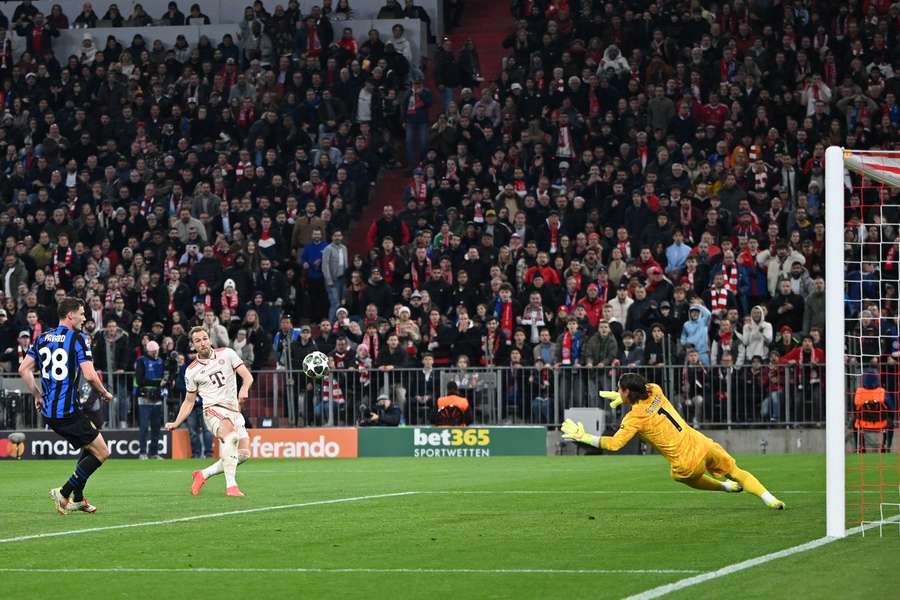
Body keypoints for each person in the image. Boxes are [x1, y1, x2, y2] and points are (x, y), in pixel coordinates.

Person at [561, 373, 785, 510]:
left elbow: (615, 444)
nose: (618, 391)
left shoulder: (634, 418)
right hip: (702, 443)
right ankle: (769, 498)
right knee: (737, 471)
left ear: (628, 391)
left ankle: (723, 487)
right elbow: (645, 388)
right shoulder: (656, 391)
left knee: (678, 476)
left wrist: (585, 437)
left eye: (620, 389)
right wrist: (623, 398)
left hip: (686, 462)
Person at [18, 297, 114, 515]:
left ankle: (78, 498)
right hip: (67, 412)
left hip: (51, 411)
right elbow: (89, 374)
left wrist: (37, 394)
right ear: (70, 315)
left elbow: (24, 369)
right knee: (102, 452)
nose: (84, 317)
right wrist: (104, 392)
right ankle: (64, 492)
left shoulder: (42, 338)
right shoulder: (78, 338)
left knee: (89, 447)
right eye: (81, 313)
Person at [165, 327, 254, 497]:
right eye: (197, 340)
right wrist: (176, 422)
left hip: (234, 411)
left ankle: (202, 474)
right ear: (193, 345)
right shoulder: (191, 370)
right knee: (231, 437)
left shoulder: (227, 353)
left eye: (204, 338)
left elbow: (247, 376)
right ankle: (231, 487)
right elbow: (189, 401)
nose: (202, 342)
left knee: (242, 455)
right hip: (213, 410)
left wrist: (244, 388)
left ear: (210, 339)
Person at [135, 340, 165, 459]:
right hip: (144, 398)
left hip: (157, 397)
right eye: (153, 351)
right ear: (149, 351)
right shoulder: (141, 361)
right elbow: (139, 380)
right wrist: (158, 382)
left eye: (156, 351)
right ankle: (142, 452)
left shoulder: (161, 361)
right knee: (144, 427)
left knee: (156, 427)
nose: (155, 353)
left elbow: (163, 377)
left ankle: (154, 452)